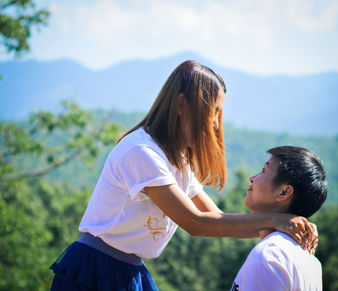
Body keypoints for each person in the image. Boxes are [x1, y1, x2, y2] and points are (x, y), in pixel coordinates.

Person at [50, 60, 318, 291]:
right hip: (95, 267)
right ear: (181, 104)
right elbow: (196, 222)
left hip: (130, 270)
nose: (215, 123)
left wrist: (292, 226)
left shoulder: (177, 161)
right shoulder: (141, 151)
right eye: (213, 111)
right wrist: (278, 219)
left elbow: (219, 221)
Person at [231, 146, 327, 291]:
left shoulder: (267, 257)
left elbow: (198, 221)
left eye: (263, 170)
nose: (252, 178)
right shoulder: (312, 263)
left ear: (284, 192)